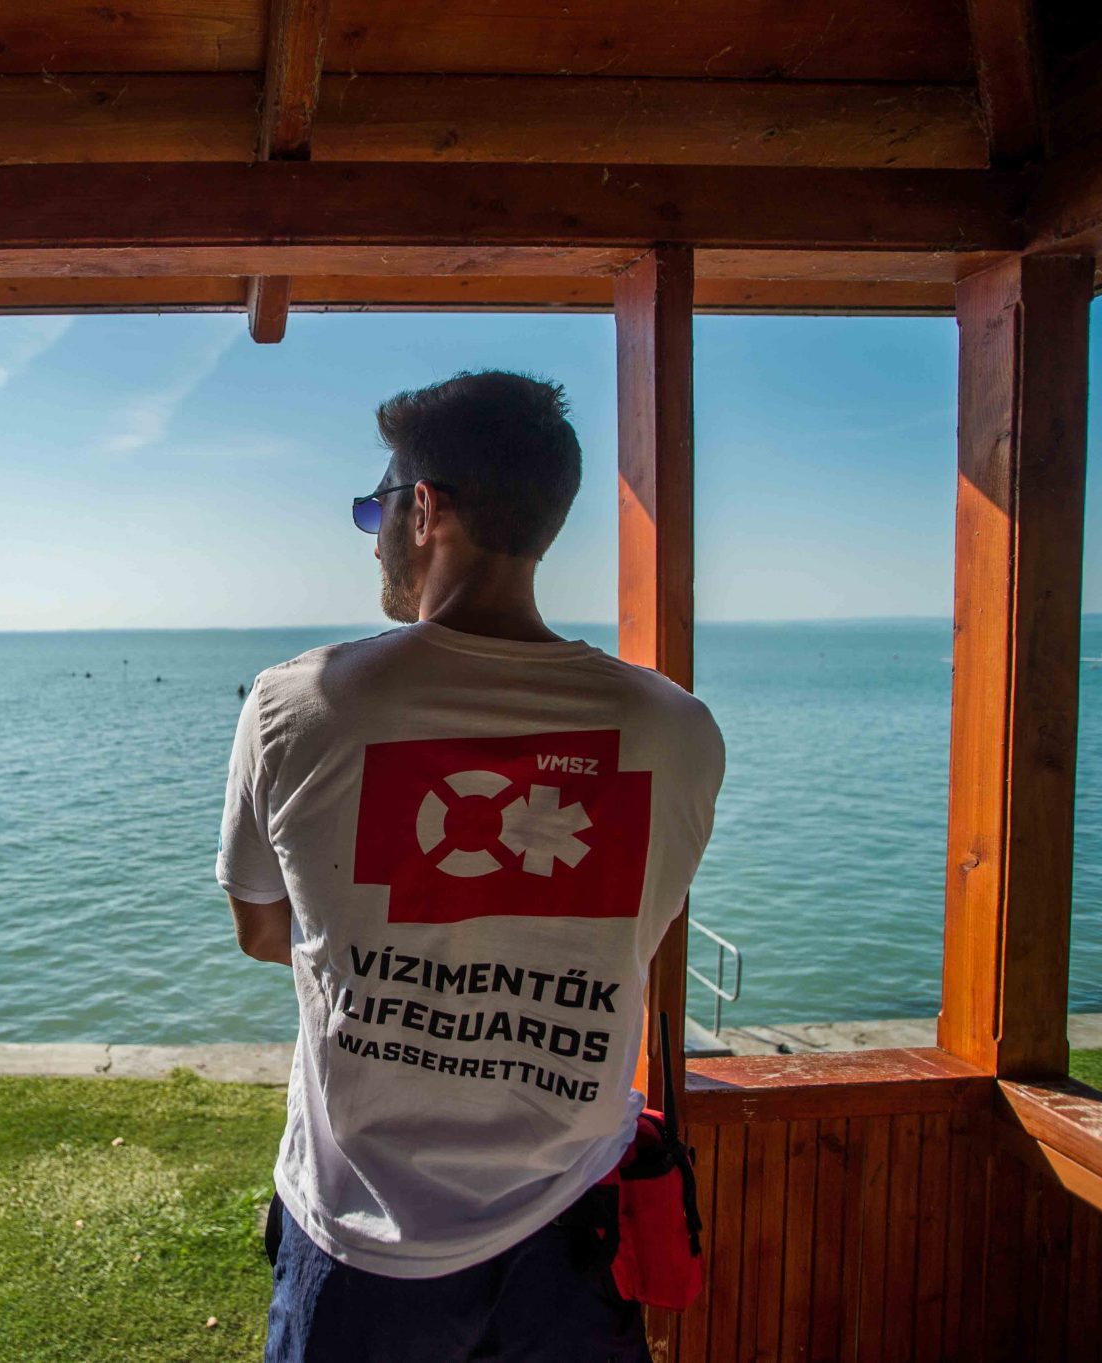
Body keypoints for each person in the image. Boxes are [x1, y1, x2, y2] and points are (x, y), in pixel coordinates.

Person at [217, 371, 724, 1363]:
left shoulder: (296, 705)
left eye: (376, 510)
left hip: (361, 1243)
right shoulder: (675, 731)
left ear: (425, 510)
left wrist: (394, 964)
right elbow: (621, 941)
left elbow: (263, 928)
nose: (372, 537)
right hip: (573, 1244)